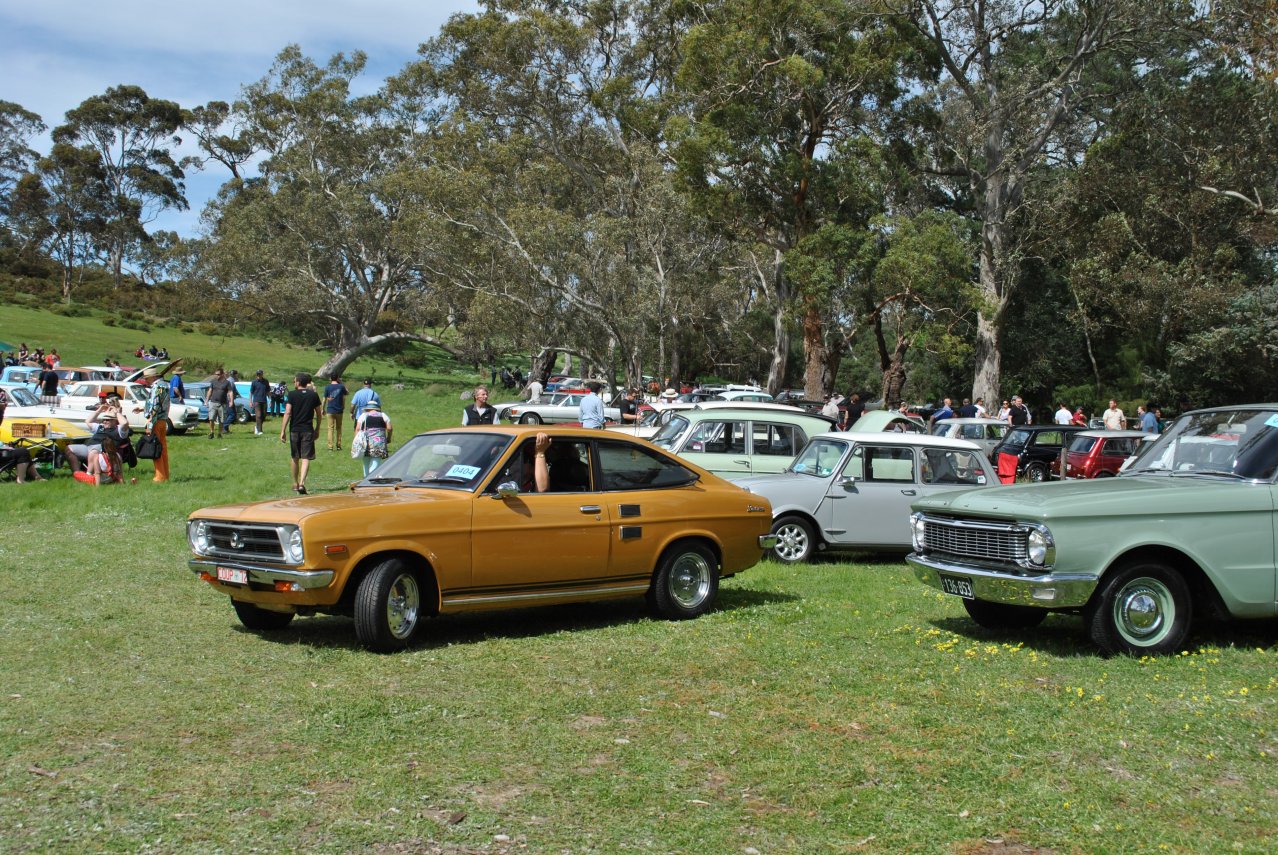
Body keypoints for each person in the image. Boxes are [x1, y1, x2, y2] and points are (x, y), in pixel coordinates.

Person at [280, 372, 322, 494]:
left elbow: (287, 412)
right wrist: (317, 428)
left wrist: (283, 430)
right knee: (305, 457)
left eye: (294, 381)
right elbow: (319, 414)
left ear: (298, 382)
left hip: (294, 429)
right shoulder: (313, 395)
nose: (294, 383)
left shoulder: (292, 395)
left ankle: (295, 483)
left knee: (295, 456)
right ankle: (302, 483)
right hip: (308, 429)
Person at [65, 401, 130, 472]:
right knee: (69, 449)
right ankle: (77, 473)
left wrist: (117, 413)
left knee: (94, 451)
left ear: (115, 421)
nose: (104, 421)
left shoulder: (119, 430)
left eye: (107, 420)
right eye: (104, 419)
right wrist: (99, 410)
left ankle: (89, 474)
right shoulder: (100, 427)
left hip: (103, 451)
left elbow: (125, 423)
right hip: (88, 447)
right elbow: (88, 421)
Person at [144, 369, 172, 482]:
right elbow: (161, 403)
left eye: (147, 378)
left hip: (156, 420)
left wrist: (150, 422)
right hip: (163, 420)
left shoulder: (156, 387)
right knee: (163, 448)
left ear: (153, 377)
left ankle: (159, 476)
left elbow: (155, 405)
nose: (146, 380)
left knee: (156, 448)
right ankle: (165, 474)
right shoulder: (164, 385)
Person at [354, 401, 394, 477]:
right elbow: (389, 428)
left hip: (365, 441)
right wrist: (388, 438)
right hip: (379, 442)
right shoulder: (383, 415)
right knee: (376, 460)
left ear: (368, 408)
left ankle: (366, 479)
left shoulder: (363, 415)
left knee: (366, 462)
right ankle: (372, 478)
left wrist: (356, 440)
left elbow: (358, 428)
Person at [205, 368, 235, 439]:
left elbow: (230, 392)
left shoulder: (227, 382)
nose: (217, 376)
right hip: (213, 402)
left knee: (221, 420)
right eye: (216, 374)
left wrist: (231, 401)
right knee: (211, 418)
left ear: (222, 374)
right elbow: (210, 391)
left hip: (222, 403)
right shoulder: (213, 382)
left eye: (218, 374)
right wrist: (206, 400)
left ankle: (219, 433)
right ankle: (212, 432)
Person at [323, 374, 349, 451]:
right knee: (339, 428)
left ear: (330, 378)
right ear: (337, 378)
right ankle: (338, 445)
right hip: (339, 410)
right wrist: (341, 382)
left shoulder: (327, 387)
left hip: (330, 410)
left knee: (330, 428)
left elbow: (324, 399)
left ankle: (330, 447)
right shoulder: (341, 386)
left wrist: (322, 409)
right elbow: (347, 392)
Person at [249, 370, 271, 435]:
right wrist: (250, 401)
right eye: (258, 374)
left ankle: (257, 426)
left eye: (260, 374)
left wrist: (270, 401)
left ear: (262, 374)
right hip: (256, 401)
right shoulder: (254, 382)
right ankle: (260, 430)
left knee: (263, 416)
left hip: (264, 400)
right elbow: (251, 392)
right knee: (258, 415)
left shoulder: (266, 382)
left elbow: (268, 391)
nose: (258, 375)